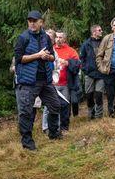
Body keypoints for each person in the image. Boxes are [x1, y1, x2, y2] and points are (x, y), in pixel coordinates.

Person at [14, 11, 62, 149]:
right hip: (28, 81)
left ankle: (53, 134)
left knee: (55, 105)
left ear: (41, 22)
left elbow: (52, 56)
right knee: (26, 112)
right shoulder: (23, 38)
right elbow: (19, 59)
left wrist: (47, 57)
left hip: (45, 79)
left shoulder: (46, 37)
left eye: (35, 21)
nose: (32, 23)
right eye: (30, 21)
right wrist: (38, 55)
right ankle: (27, 143)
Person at [53, 31, 82, 119]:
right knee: (54, 105)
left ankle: (65, 123)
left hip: (66, 83)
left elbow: (78, 64)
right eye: (57, 37)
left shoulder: (70, 51)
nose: (58, 39)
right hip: (53, 83)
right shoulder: (51, 49)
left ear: (64, 39)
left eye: (60, 37)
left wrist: (67, 62)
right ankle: (54, 124)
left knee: (65, 104)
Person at [80, 25, 106, 119]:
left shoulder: (104, 42)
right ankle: (91, 113)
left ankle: (99, 115)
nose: (101, 31)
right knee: (89, 95)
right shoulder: (86, 44)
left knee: (99, 94)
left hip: (101, 73)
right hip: (90, 73)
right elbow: (81, 58)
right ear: (94, 32)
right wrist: (85, 69)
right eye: (99, 30)